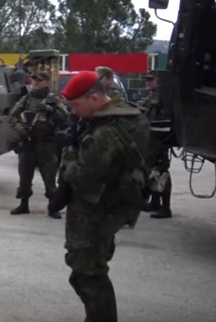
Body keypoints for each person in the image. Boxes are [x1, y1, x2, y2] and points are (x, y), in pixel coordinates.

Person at [55, 70, 150, 322]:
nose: (75, 111)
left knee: (88, 274)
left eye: (77, 105)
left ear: (95, 98)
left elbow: (81, 176)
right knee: (86, 271)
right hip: (111, 205)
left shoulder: (106, 132)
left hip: (96, 210)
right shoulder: (126, 114)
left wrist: (67, 154)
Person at [9, 71, 70, 219]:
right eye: (34, 80)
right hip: (27, 143)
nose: (35, 82)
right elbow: (13, 116)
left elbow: (65, 117)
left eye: (39, 80)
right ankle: (24, 204)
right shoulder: (26, 99)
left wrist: (51, 110)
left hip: (46, 144)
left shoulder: (54, 99)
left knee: (49, 176)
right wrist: (20, 129)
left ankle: (52, 207)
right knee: (24, 175)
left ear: (47, 83)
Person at [138, 71, 173, 219]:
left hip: (160, 140)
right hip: (152, 139)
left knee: (161, 173)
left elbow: (164, 119)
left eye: (151, 80)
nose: (148, 82)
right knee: (152, 172)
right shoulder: (153, 95)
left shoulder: (162, 97)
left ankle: (165, 208)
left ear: (158, 81)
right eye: (147, 80)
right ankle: (155, 202)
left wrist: (162, 142)